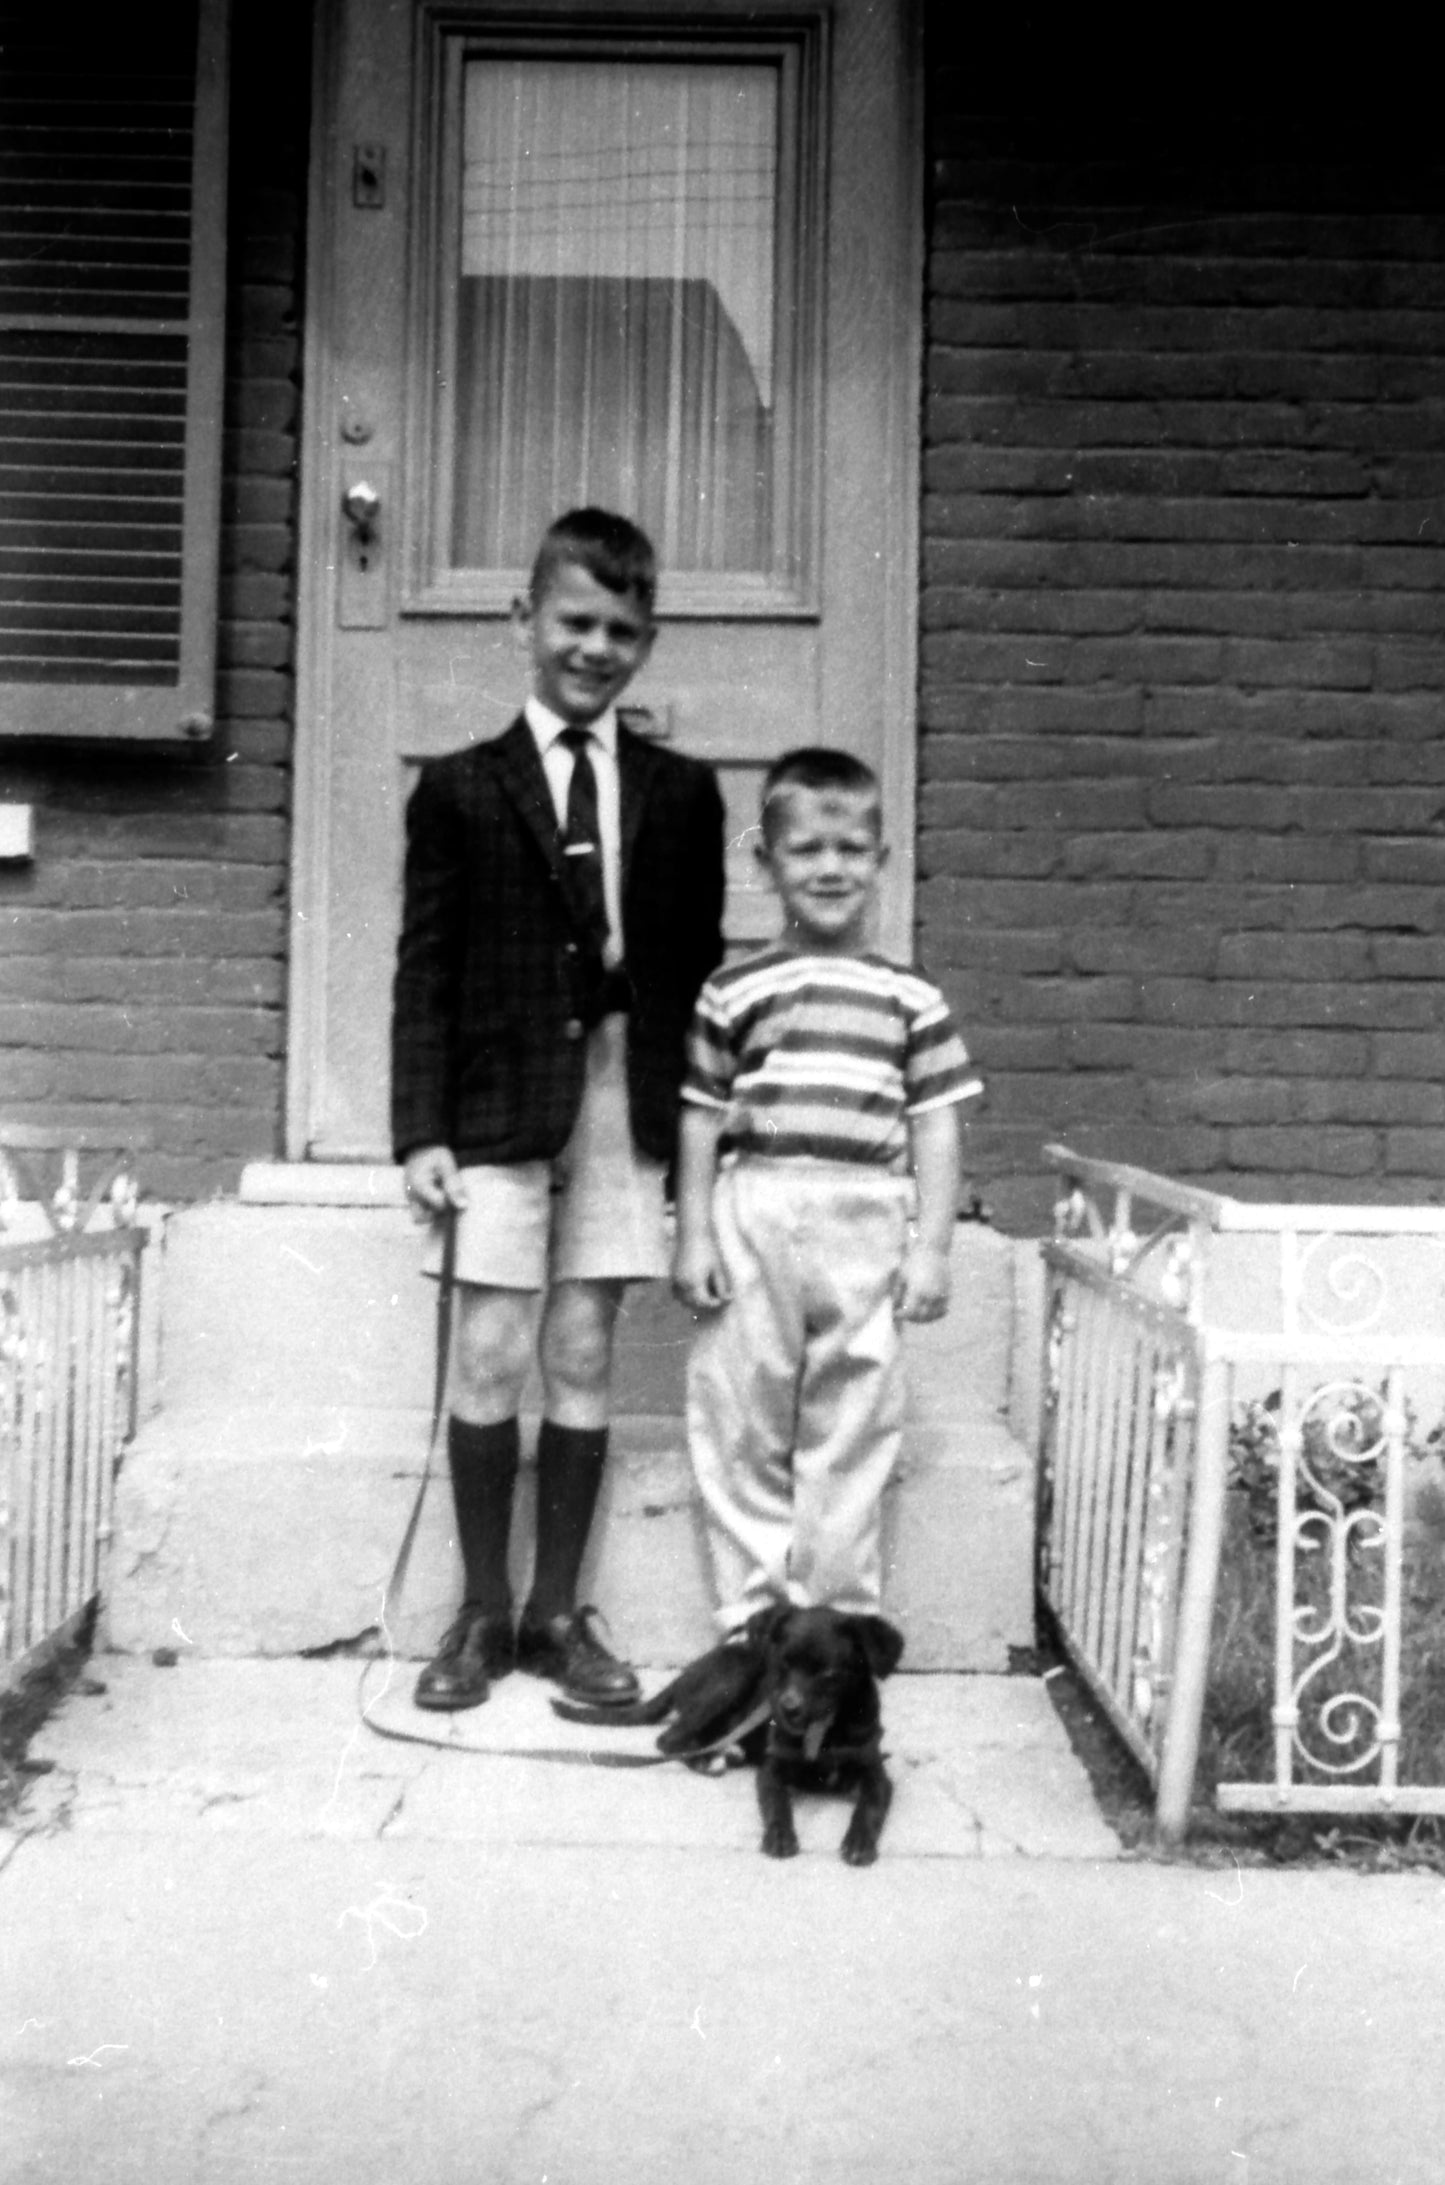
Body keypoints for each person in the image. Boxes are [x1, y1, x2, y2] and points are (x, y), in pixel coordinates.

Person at [393, 507, 725, 1711]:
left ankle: (554, 1612)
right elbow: (424, 966)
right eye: (574, 621)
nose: (594, 648)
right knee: (490, 1346)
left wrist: (696, 1134)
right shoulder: (461, 789)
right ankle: (480, 1610)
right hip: (491, 1104)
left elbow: (695, 972)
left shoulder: (681, 793)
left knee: (581, 1342)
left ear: (646, 642)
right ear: (522, 619)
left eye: (621, 631)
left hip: (616, 1090)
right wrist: (420, 1128)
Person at [671, 747, 982, 1633]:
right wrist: (693, 1236)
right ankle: (754, 1627)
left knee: (851, 1420)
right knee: (742, 1418)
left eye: (851, 849)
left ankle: (836, 1628)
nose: (830, 868)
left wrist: (931, 1246)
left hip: (866, 1213)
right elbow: (700, 1118)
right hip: (756, 1206)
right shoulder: (733, 989)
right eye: (805, 849)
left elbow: (935, 1123)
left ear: (882, 861)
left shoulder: (909, 995)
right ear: (764, 863)